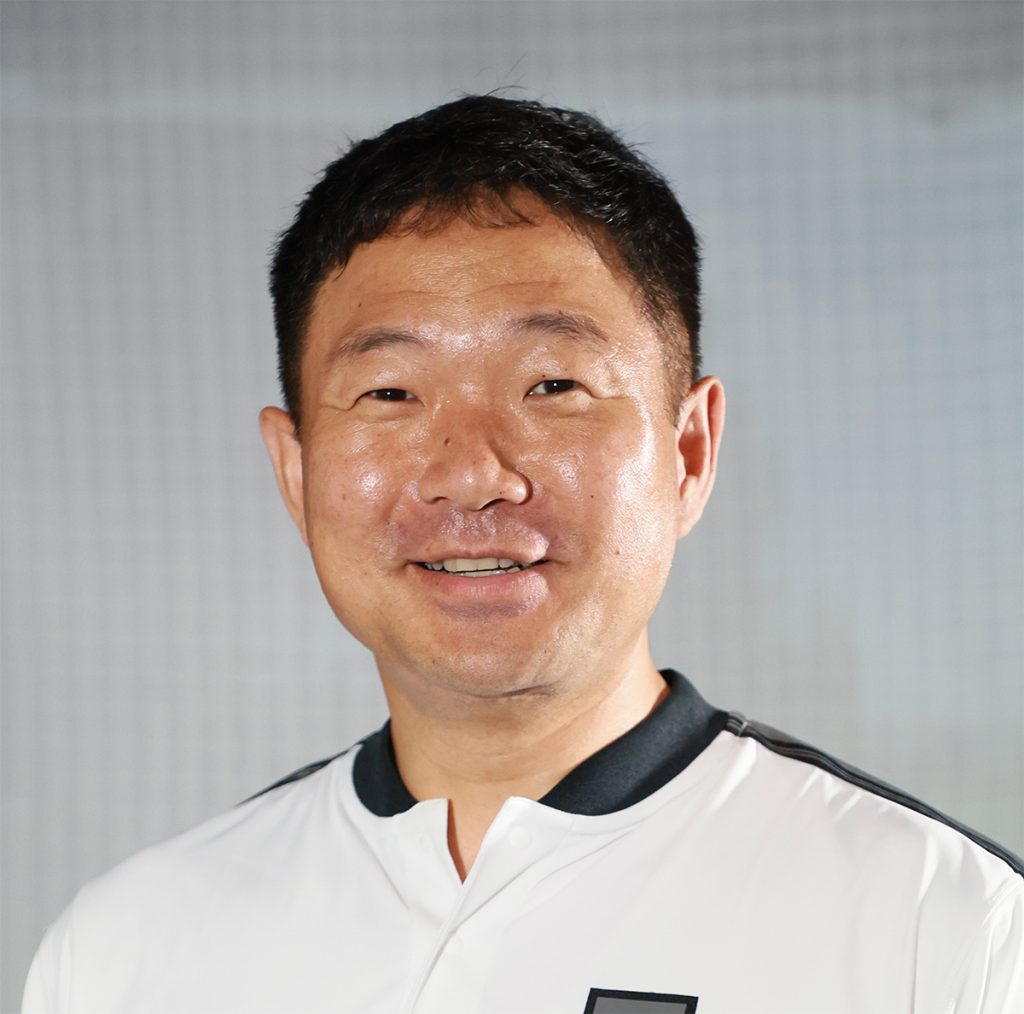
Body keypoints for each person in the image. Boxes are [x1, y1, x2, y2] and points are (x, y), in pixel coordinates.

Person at [23, 95, 1022, 1014]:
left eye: (553, 385)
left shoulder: (951, 931)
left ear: (689, 451)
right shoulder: (128, 954)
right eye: (389, 393)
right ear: (296, 471)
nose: (471, 475)